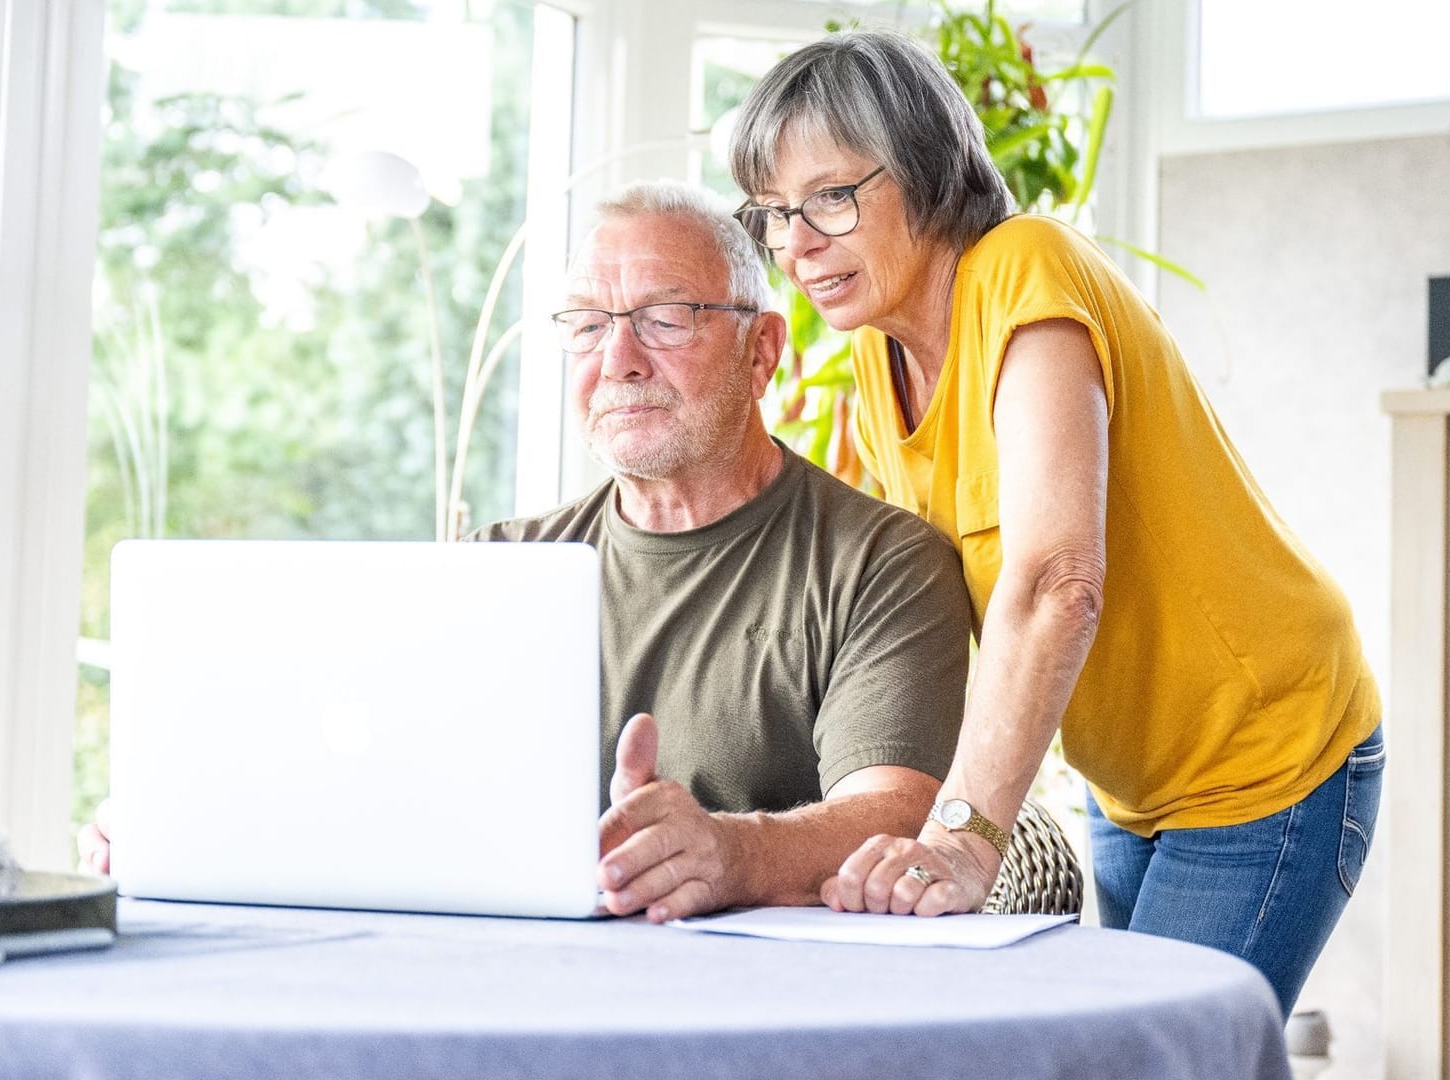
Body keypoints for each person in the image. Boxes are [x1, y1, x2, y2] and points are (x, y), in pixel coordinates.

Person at [81, 180, 975, 925]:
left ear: (761, 350)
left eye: (665, 318)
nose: (618, 358)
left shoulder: (880, 562)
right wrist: (194, 822)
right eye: (587, 325)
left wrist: (730, 851)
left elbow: (898, 813)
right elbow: (369, 784)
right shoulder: (494, 569)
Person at [726, 30, 1383, 1017]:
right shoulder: (878, 357)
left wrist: (963, 836)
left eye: (829, 197)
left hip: (1266, 754)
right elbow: (882, 601)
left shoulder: (1022, 273)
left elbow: (1054, 581)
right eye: (772, 213)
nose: (793, 244)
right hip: (1134, 781)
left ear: (923, 168)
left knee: (1162, 1049)